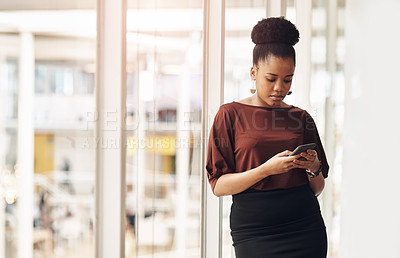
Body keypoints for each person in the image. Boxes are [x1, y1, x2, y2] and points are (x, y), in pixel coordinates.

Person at [206, 17, 329, 258]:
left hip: (305, 227)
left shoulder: (301, 117)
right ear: (254, 72)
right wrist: (266, 170)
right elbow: (218, 186)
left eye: (288, 79)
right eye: (271, 79)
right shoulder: (229, 114)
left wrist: (314, 168)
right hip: (254, 232)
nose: (279, 88)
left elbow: (316, 188)